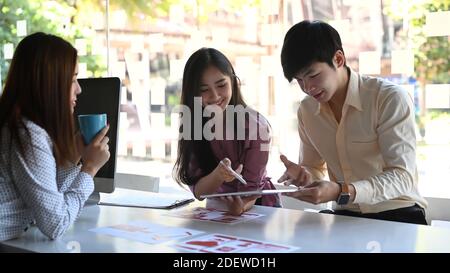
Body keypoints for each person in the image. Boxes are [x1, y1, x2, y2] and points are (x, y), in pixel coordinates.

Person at [278, 20, 428, 225]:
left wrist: (344, 191)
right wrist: (305, 177)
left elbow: (403, 176)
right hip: (345, 215)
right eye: (299, 80)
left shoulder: (388, 98)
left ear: (338, 59)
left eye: (313, 75)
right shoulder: (307, 110)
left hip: (398, 213)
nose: (308, 88)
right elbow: (313, 168)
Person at [0, 32, 110, 241]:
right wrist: (90, 168)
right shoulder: (28, 135)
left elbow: (48, 198)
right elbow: (56, 223)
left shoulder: (16, 124)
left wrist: (72, 158)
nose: (79, 89)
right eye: (72, 80)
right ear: (49, 84)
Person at [174, 48, 280, 216]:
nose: (214, 96)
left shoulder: (256, 127)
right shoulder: (192, 125)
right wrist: (218, 175)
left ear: (233, 82)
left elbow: (251, 190)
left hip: (257, 208)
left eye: (221, 85)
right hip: (217, 211)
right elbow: (199, 192)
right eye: (203, 89)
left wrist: (241, 207)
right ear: (192, 92)